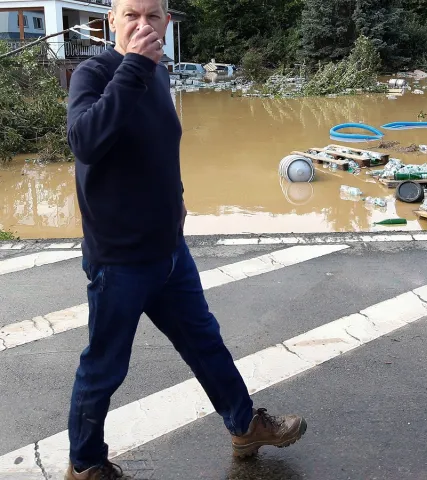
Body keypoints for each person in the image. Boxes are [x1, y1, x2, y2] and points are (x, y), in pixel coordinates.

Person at [64, 0, 306, 478]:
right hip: (119, 259)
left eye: (152, 16)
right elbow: (85, 142)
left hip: (169, 250)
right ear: (111, 20)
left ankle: (244, 426)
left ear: (167, 22)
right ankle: (85, 464)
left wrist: (176, 198)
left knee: (205, 342)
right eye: (131, 14)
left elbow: (159, 145)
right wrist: (134, 64)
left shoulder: (158, 74)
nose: (142, 24)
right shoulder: (95, 72)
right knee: (104, 367)